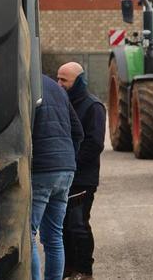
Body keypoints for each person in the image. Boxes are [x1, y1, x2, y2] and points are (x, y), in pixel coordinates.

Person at [32, 74, 84, 280]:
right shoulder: (56, 88)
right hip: (65, 169)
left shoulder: (22, 84)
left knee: (28, 236)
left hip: (41, 169)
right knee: (54, 236)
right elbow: (78, 131)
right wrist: (68, 159)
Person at [57, 62, 106, 280]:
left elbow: (94, 144)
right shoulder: (63, 103)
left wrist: (72, 163)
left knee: (78, 224)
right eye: (57, 79)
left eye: (64, 80)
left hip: (83, 178)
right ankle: (69, 268)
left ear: (77, 81)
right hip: (65, 175)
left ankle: (85, 270)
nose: (59, 84)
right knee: (64, 225)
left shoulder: (93, 106)